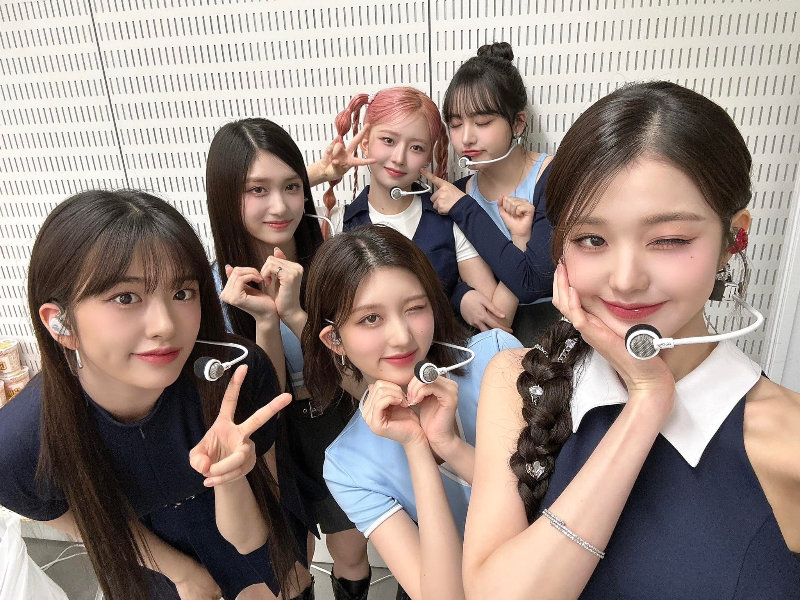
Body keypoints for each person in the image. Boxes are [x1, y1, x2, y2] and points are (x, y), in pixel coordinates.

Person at [463, 81, 800, 599]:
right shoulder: (518, 381)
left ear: (735, 238)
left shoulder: (788, 438)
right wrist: (646, 403)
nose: (624, 280)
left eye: (669, 240)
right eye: (591, 239)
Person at [0, 190, 302, 600]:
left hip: (245, 537)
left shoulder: (236, 376)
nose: (165, 325)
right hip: (142, 559)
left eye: (182, 293)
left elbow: (258, 528)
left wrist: (230, 477)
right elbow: (65, 512)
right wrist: (179, 572)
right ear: (61, 323)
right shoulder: (19, 443)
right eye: (125, 297)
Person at [300, 225, 523, 599]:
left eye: (415, 308)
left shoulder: (497, 356)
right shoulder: (347, 465)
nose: (403, 337)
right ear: (334, 339)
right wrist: (418, 448)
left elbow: (553, 501)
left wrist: (451, 446)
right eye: (371, 318)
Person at [206, 118, 372, 600]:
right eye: (257, 190)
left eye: (291, 187)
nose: (279, 206)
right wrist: (265, 320)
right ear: (226, 197)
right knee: (290, 567)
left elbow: (360, 377)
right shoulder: (218, 288)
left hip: (337, 418)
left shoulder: (332, 265)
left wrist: (296, 314)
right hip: (268, 435)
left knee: (351, 551)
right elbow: (268, 398)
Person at [325, 86, 518, 331]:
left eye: (416, 147)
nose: (399, 158)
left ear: (428, 157)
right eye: (388, 140)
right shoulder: (337, 223)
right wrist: (323, 173)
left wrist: (458, 296)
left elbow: (498, 320)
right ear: (365, 142)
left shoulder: (449, 219)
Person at [422, 42, 558, 343]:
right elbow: (443, 274)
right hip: (492, 336)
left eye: (482, 122)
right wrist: (460, 296)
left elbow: (535, 282)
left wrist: (465, 210)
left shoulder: (552, 178)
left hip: (554, 331)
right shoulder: (457, 194)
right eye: (455, 124)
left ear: (518, 123)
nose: (466, 138)